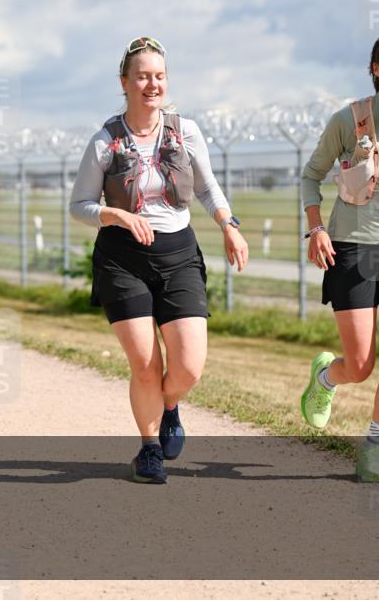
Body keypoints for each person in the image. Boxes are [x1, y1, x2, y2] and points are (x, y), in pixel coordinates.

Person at [70, 37, 249, 484]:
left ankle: (171, 406)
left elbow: (208, 188)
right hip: (121, 258)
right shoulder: (105, 141)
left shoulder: (184, 131)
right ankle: (148, 449)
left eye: (160, 76)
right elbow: (79, 205)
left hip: (178, 253)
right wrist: (114, 215)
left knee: (188, 366)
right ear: (125, 82)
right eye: (143, 76)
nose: (153, 84)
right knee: (146, 365)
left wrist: (229, 225)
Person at [300, 30, 379, 482]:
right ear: (375, 69)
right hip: (352, 247)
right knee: (360, 364)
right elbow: (310, 177)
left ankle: (371, 450)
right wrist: (317, 229)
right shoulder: (348, 120)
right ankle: (325, 380)